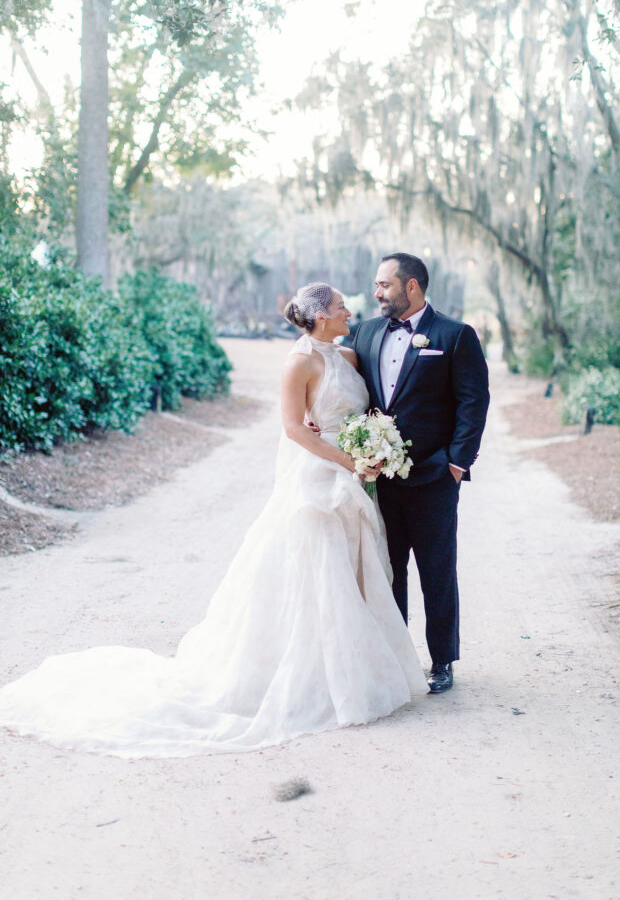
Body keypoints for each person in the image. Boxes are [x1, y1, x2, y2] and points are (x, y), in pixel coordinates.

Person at [0, 283, 427, 758]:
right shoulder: (299, 362)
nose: (350, 312)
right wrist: (350, 462)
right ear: (322, 316)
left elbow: (362, 409)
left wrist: (371, 446)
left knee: (351, 569)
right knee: (318, 571)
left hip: (352, 473)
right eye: (342, 307)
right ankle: (316, 677)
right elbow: (293, 428)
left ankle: (352, 667)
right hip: (320, 475)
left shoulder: (347, 356)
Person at [352, 254, 489, 694]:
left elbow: (473, 402)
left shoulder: (455, 335)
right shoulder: (365, 332)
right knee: (388, 571)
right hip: (381, 480)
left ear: (411, 286)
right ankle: (396, 657)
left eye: (384, 284)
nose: (377, 292)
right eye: (377, 285)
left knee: (437, 572)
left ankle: (442, 660)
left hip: (434, 477)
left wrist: (456, 464)